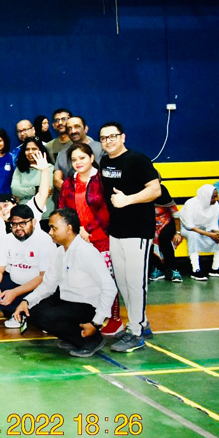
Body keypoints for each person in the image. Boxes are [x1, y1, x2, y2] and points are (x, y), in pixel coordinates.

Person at [12, 209, 117, 357]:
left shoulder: (86, 252)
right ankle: (74, 337)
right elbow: (48, 285)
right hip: (68, 300)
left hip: (88, 306)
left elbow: (109, 288)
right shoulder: (60, 252)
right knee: (32, 312)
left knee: (45, 317)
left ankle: (91, 340)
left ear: (69, 229)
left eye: (54, 228)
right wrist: (26, 301)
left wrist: (96, 322)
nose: (50, 232)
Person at [98, 122, 161, 352]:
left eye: (112, 136)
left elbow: (155, 190)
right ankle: (141, 323)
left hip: (138, 231)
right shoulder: (105, 162)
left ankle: (135, 333)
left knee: (136, 283)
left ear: (123, 137)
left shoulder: (138, 160)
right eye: (104, 138)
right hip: (116, 231)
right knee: (123, 282)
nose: (108, 141)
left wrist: (128, 200)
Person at [58, 143, 124, 336]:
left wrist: (89, 229)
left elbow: (106, 208)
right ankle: (88, 318)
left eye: (82, 158)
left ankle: (114, 320)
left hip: (100, 237)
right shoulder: (69, 182)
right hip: (77, 239)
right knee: (81, 281)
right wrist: (75, 232)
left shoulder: (101, 179)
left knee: (105, 281)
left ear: (92, 158)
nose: (78, 162)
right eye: (74, 159)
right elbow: (63, 209)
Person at [0, 205, 53, 328]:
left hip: (36, 288)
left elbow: (43, 277)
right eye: (14, 224)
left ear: (33, 222)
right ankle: (19, 311)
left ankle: (22, 310)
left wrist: (15, 293)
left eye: (23, 223)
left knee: (44, 306)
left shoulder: (44, 240)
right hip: (14, 283)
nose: (18, 228)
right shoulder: (8, 239)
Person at [179, 185, 219, 280]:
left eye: (216, 196)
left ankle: (215, 268)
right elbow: (189, 226)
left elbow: (213, 224)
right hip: (188, 228)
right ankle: (195, 270)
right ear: (205, 196)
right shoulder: (190, 204)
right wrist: (209, 234)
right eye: (213, 197)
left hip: (205, 229)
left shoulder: (216, 205)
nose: (215, 199)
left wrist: (215, 233)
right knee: (194, 236)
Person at [54, 117, 104, 192]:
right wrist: (75, 193)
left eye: (77, 127)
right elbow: (56, 180)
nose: (73, 131)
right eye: (69, 128)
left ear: (86, 129)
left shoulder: (101, 148)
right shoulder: (62, 154)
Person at [150, 185, 184, 283]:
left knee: (164, 238)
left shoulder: (163, 193)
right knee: (149, 237)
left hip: (167, 222)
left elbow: (176, 215)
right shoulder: (143, 194)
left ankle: (172, 270)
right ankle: (156, 269)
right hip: (151, 223)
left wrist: (178, 233)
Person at [11, 137, 52, 205]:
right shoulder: (19, 169)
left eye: (34, 149)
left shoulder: (49, 168)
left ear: (41, 150)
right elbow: (15, 190)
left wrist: (24, 193)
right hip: (24, 210)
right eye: (27, 149)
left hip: (45, 210)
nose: (30, 152)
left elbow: (47, 191)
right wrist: (35, 190)